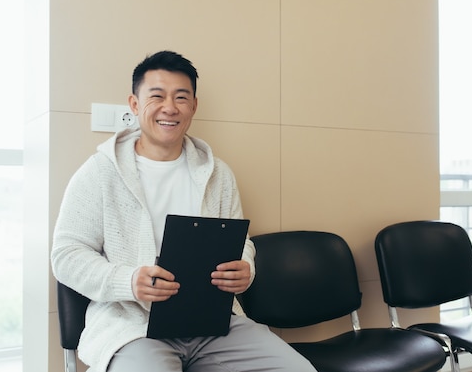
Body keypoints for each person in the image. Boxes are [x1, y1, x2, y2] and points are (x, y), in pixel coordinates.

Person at [50, 50, 316, 372]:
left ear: (194, 106)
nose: (170, 108)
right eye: (157, 96)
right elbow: (66, 255)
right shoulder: (99, 172)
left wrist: (245, 266)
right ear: (134, 104)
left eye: (181, 97)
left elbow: (239, 241)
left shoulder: (218, 173)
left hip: (215, 323)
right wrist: (129, 281)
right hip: (133, 328)